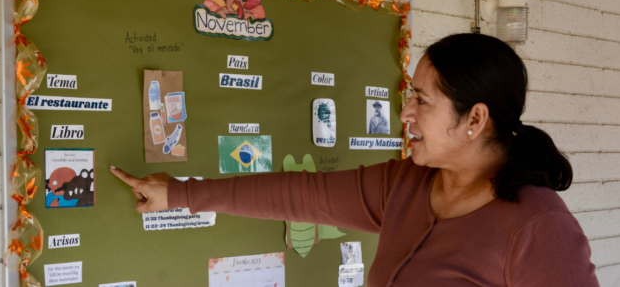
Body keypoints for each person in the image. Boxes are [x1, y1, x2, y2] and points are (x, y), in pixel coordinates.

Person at [111, 33, 599, 286]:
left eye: (421, 101)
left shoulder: (537, 229)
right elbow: (298, 194)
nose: (404, 113)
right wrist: (178, 193)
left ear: (474, 119)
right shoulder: (405, 183)